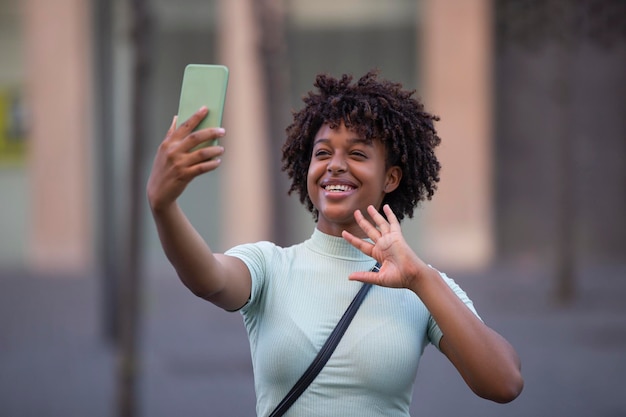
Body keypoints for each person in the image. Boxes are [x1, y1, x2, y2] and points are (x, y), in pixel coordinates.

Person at [147, 70, 523, 416]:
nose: (335, 165)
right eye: (323, 153)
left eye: (357, 154)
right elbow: (207, 278)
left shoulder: (421, 285)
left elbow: (503, 383)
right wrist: (163, 207)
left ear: (391, 178)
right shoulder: (269, 266)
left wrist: (420, 280)